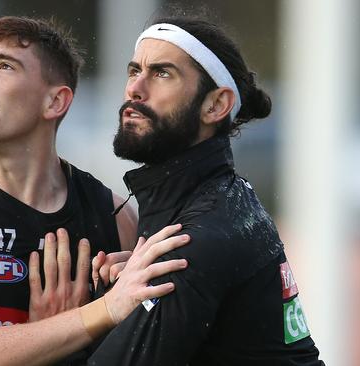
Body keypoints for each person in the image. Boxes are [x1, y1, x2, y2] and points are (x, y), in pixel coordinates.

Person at [0, 16, 190, 365]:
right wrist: (98, 313)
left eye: (4, 67)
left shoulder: (115, 217)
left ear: (55, 102)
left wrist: (59, 336)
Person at [86, 11, 325, 366]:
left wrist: (72, 321)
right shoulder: (215, 201)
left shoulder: (193, 240)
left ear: (216, 105)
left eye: (162, 73)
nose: (135, 88)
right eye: (135, 70)